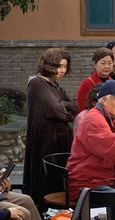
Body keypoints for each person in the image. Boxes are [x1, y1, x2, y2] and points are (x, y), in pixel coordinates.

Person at [22, 48, 78, 205]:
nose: (62, 70)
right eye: (58, 66)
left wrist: (64, 106)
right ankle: (43, 206)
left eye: (65, 66)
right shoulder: (37, 83)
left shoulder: (56, 85)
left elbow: (75, 106)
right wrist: (66, 107)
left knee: (59, 176)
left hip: (59, 138)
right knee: (45, 176)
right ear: (48, 65)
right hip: (45, 138)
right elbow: (58, 110)